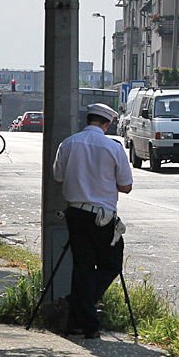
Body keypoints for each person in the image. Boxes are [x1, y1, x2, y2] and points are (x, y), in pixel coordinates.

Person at [52, 103, 133, 338]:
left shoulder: (68, 144)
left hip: (75, 212)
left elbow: (58, 176)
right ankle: (81, 308)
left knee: (82, 266)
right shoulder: (112, 147)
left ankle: (81, 319)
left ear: (87, 120)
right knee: (111, 264)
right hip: (102, 216)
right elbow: (126, 186)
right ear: (106, 124)